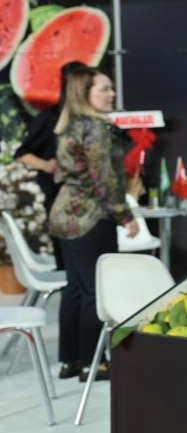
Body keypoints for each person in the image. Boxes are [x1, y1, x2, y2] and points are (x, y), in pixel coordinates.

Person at [48, 68, 138, 382]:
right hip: (89, 217)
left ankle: (71, 361)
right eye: (104, 89)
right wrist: (125, 216)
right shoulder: (96, 127)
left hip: (64, 215)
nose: (112, 94)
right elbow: (105, 180)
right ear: (84, 93)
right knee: (94, 292)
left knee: (74, 288)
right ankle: (94, 363)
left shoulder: (70, 124)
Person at [14, 61, 87, 270]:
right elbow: (22, 153)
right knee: (71, 265)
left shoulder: (95, 120)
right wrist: (46, 165)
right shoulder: (51, 117)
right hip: (59, 199)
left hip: (91, 204)